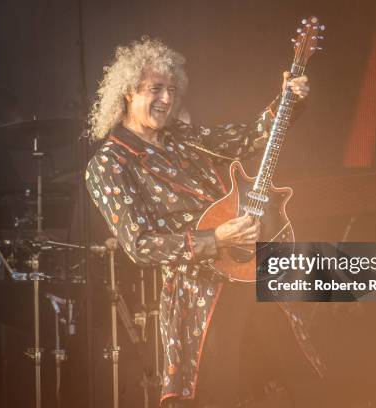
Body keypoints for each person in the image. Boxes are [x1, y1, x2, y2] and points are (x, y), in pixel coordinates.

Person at [86, 38, 325, 407]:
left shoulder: (181, 137)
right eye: (155, 89)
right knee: (217, 391)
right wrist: (215, 238)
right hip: (199, 298)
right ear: (129, 92)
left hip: (252, 270)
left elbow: (244, 139)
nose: (166, 99)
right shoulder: (109, 163)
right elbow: (141, 244)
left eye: (171, 89)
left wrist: (287, 101)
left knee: (298, 375)